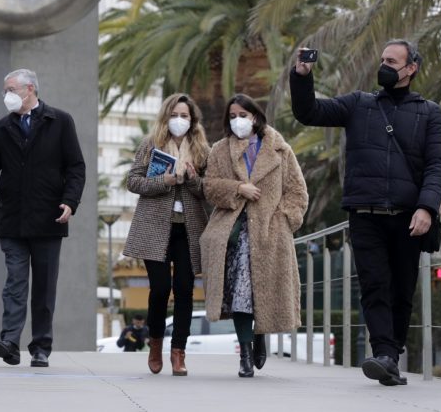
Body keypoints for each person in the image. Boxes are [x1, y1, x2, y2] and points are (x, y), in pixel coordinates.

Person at [290, 40, 441, 386]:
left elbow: (438, 165)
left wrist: (427, 207)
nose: (384, 66)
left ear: (411, 68)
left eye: (392, 61)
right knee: (375, 285)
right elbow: (310, 113)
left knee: (402, 289)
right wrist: (302, 76)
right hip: (365, 214)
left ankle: (389, 358)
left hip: (409, 217)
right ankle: (385, 356)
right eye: (382, 60)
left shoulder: (430, 113)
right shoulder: (359, 104)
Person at [0, 69, 86, 368]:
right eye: (5, 90)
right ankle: (9, 342)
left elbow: (76, 166)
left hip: (49, 218)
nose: (7, 95)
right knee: (14, 283)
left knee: (44, 287)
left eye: (11, 89)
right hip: (13, 218)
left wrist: (70, 202)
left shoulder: (59, 121)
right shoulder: (2, 127)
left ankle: (40, 346)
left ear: (30, 89)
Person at [201, 94, 307, 378]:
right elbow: (209, 187)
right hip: (233, 234)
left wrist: (284, 220)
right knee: (240, 295)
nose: (238, 120)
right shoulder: (220, 150)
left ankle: (259, 334)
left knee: (259, 293)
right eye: (233, 115)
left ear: (256, 117)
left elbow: (298, 192)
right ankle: (245, 354)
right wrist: (238, 188)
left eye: (243, 115)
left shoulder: (280, 150)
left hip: (269, 233)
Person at [123, 93, 210, 376]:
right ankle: (155, 345)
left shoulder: (200, 148)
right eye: (174, 115)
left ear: (192, 120)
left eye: (184, 116)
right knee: (160, 289)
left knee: (184, 289)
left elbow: (208, 189)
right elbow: (133, 181)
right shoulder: (151, 145)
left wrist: (194, 179)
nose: (179, 120)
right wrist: (165, 180)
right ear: (165, 117)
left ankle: (178, 353)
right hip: (154, 227)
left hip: (188, 228)